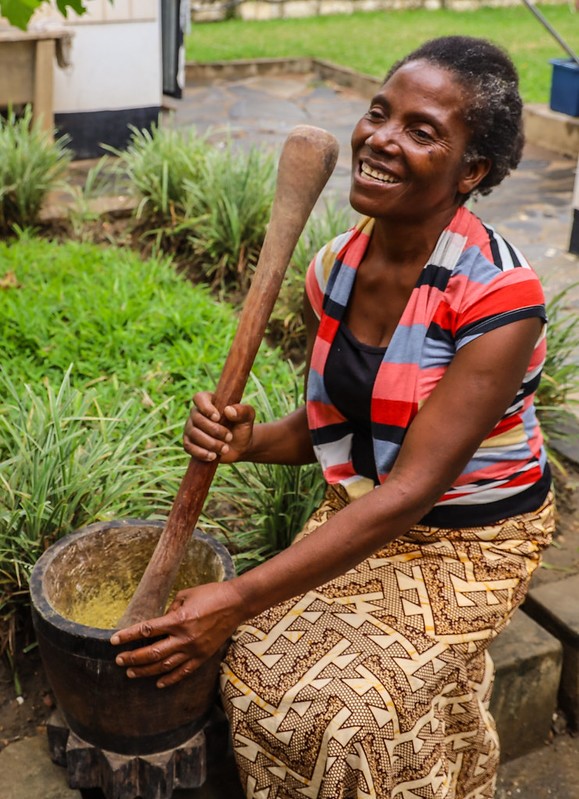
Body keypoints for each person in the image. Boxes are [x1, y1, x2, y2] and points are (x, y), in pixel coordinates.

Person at [111, 36, 555, 799]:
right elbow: (340, 425)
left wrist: (238, 593)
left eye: (422, 130)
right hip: (357, 508)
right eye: (379, 113)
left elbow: (411, 489)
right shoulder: (336, 265)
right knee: (253, 667)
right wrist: (248, 443)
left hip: (470, 540)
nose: (380, 137)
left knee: (350, 716)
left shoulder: (496, 299)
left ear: (470, 171)